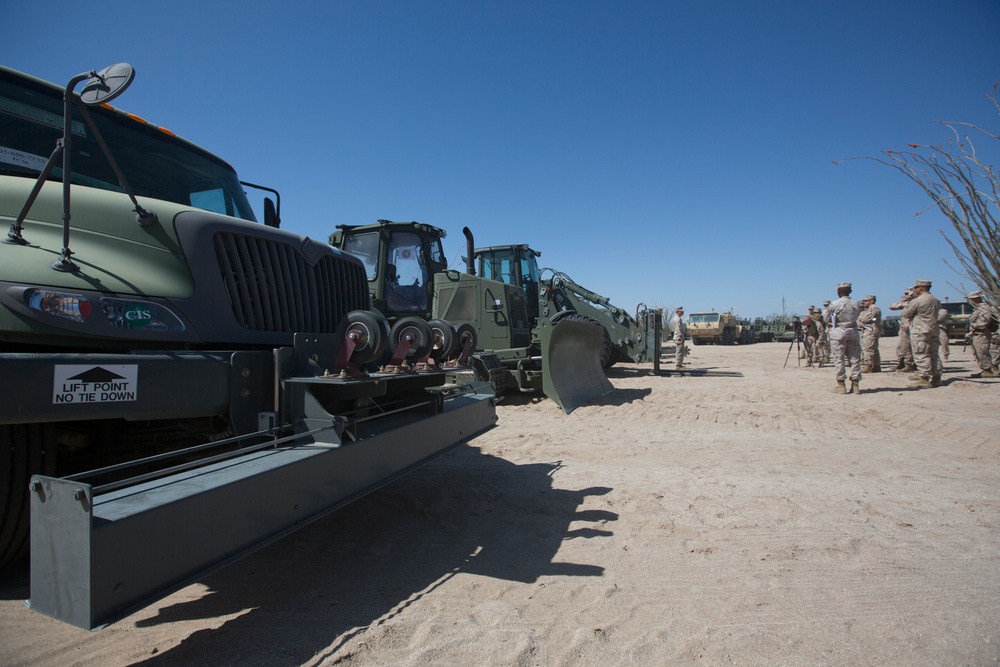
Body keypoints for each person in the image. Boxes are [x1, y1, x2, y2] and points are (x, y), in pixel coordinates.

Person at [901, 279, 942, 388]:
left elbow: (906, 313)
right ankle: (936, 377)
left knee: (921, 353)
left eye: (916, 288)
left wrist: (909, 301)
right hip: (933, 329)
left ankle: (924, 378)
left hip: (921, 330)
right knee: (934, 354)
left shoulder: (918, 300)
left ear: (921, 288)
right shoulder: (935, 299)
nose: (915, 290)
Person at [824, 282, 862, 394]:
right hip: (853, 331)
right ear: (850, 291)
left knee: (839, 359)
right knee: (854, 359)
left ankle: (841, 385)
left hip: (839, 332)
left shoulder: (834, 304)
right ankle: (856, 385)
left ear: (838, 292)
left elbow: (826, 319)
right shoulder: (856, 304)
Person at [967, 290, 998, 378]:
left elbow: (983, 322)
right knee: (978, 352)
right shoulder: (978, 308)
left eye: (970, 299)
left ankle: (988, 370)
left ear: (975, 299)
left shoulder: (984, 308)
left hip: (982, 333)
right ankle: (986, 369)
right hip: (977, 334)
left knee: (982, 352)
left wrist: (973, 327)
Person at [889, 288, 915, 372]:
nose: (905, 295)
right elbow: (892, 306)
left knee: (910, 347)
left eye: (907, 293)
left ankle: (909, 364)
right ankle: (901, 363)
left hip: (913, 327)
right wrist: (903, 303)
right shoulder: (906, 303)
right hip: (904, 328)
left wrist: (910, 324)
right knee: (901, 347)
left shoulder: (916, 303)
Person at [858, 295, 882, 373]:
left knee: (868, 348)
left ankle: (868, 365)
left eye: (866, 301)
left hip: (870, 330)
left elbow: (865, 319)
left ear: (872, 301)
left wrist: (861, 319)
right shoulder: (869, 309)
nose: (864, 302)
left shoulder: (873, 308)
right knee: (873, 348)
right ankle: (876, 366)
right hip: (870, 330)